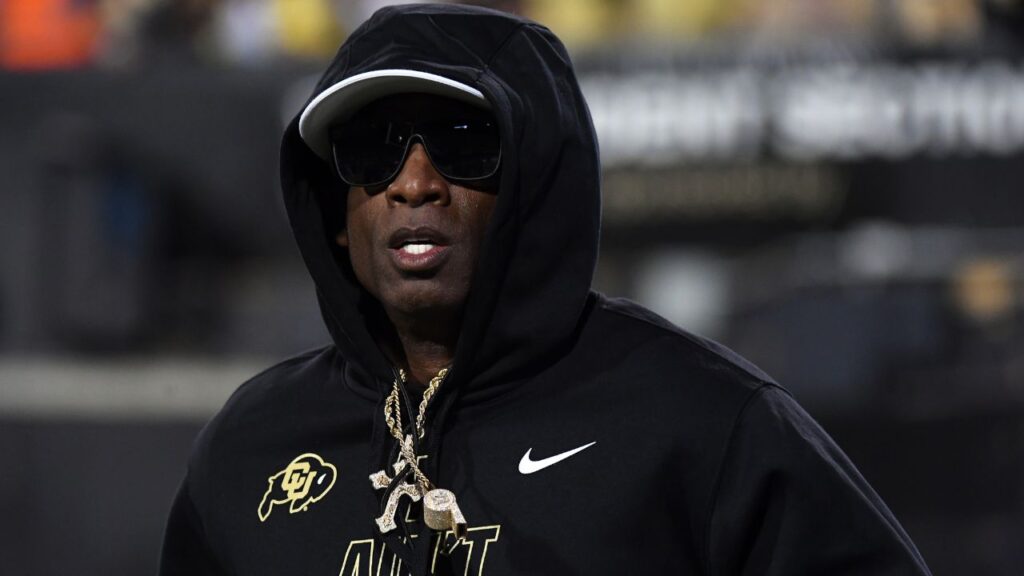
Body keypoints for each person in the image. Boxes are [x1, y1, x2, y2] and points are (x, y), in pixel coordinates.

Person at [159, 4, 932, 576]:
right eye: (372, 150)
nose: (414, 182)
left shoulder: (703, 423)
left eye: (466, 142)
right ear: (337, 210)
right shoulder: (250, 447)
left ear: (537, 185)